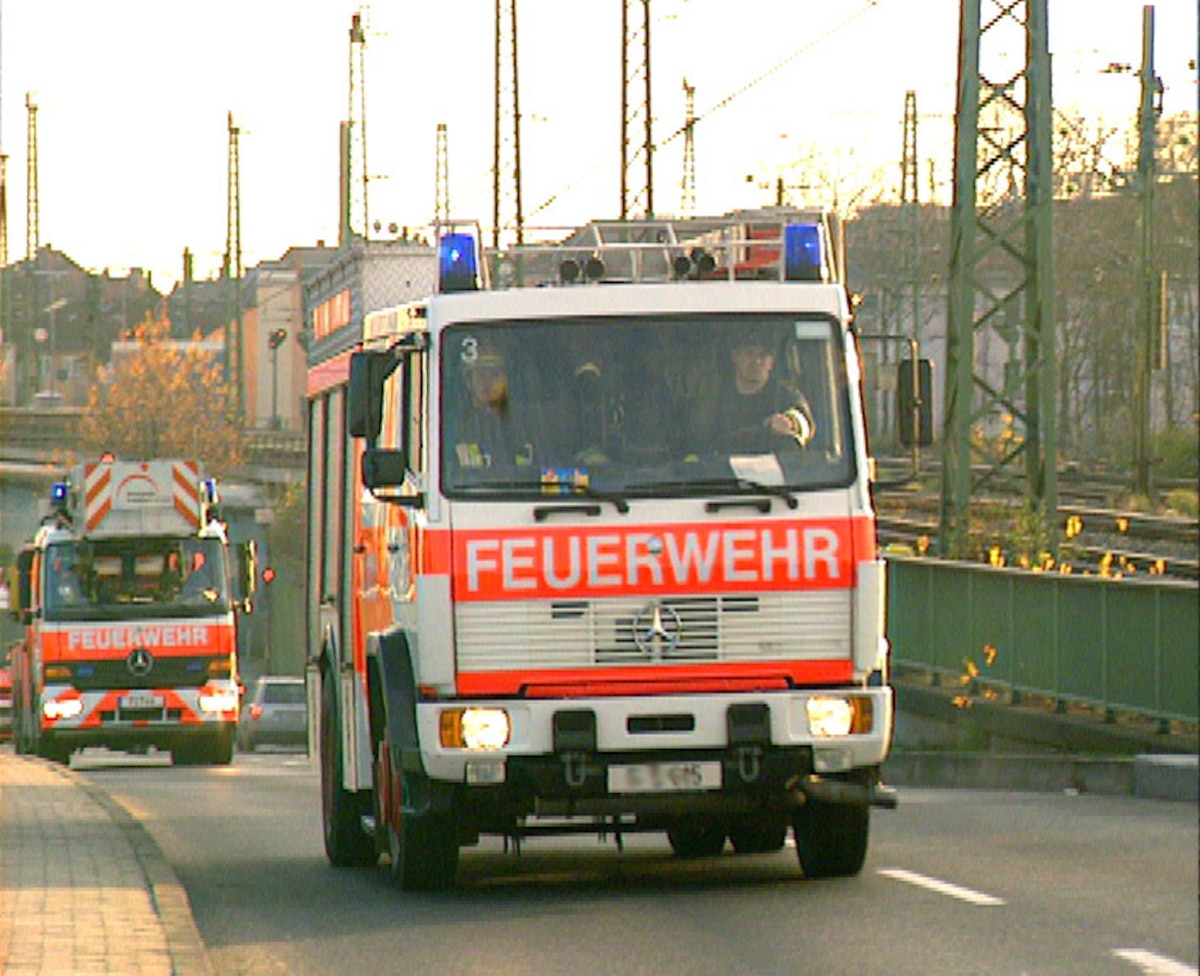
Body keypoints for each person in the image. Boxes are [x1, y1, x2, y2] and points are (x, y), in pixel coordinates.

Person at [715, 333, 815, 453]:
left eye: (763, 355)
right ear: (735, 357)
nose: (757, 361)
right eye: (749, 353)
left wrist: (790, 422)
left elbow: (805, 423)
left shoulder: (786, 396)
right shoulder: (714, 398)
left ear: (771, 362)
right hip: (720, 470)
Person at [452, 344, 535, 472]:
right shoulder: (458, 426)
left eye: (495, 375)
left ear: (506, 381)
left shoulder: (525, 423)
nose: (487, 382)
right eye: (481, 375)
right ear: (469, 381)